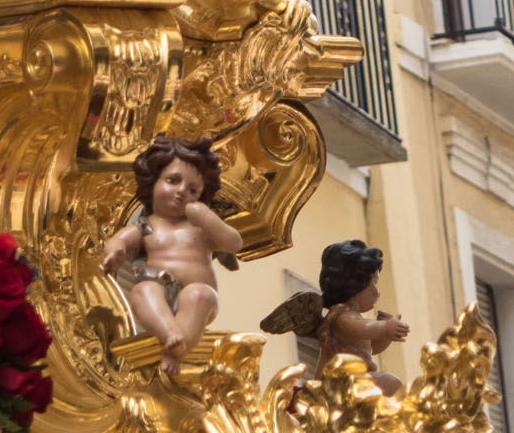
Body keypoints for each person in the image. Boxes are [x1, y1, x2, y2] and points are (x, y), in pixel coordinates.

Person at [99, 136, 242, 379]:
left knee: (198, 295)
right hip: (159, 288)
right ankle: (171, 336)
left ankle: (177, 349)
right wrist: (116, 252)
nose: (182, 191)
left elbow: (234, 243)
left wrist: (208, 218)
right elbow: (119, 239)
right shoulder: (146, 226)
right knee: (142, 291)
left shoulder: (200, 228)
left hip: (197, 294)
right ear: (153, 182)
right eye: (173, 181)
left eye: (193, 190)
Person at [262, 239, 408, 395]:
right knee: (390, 383)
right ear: (355, 284)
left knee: (390, 385)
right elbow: (362, 328)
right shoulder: (342, 316)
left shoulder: (352, 316)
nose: (376, 292)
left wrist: (386, 336)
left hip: (355, 380)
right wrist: (385, 327)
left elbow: (370, 348)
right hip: (337, 383)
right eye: (371, 284)